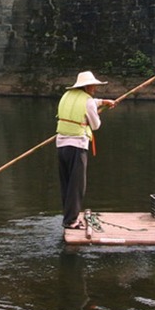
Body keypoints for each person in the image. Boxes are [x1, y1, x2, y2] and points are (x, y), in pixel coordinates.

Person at [56, 71, 116, 230]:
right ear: (87, 86)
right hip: (77, 146)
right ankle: (71, 221)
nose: (95, 89)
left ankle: (68, 217)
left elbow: (86, 103)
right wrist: (96, 110)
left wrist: (102, 102)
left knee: (67, 184)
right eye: (94, 86)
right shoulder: (87, 101)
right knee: (77, 185)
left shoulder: (66, 96)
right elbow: (96, 125)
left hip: (61, 145)